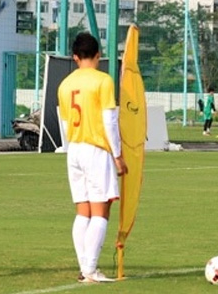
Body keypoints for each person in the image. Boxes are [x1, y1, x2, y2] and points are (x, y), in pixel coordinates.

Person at [57, 32, 128, 283]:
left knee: (83, 211)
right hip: (96, 149)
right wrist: (117, 155)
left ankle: (85, 266)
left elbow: (64, 123)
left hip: (74, 149)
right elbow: (109, 120)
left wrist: (70, 150)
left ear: (75, 57)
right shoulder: (103, 80)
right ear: (98, 55)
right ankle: (90, 269)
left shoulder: (64, 85)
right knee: (100, 210)